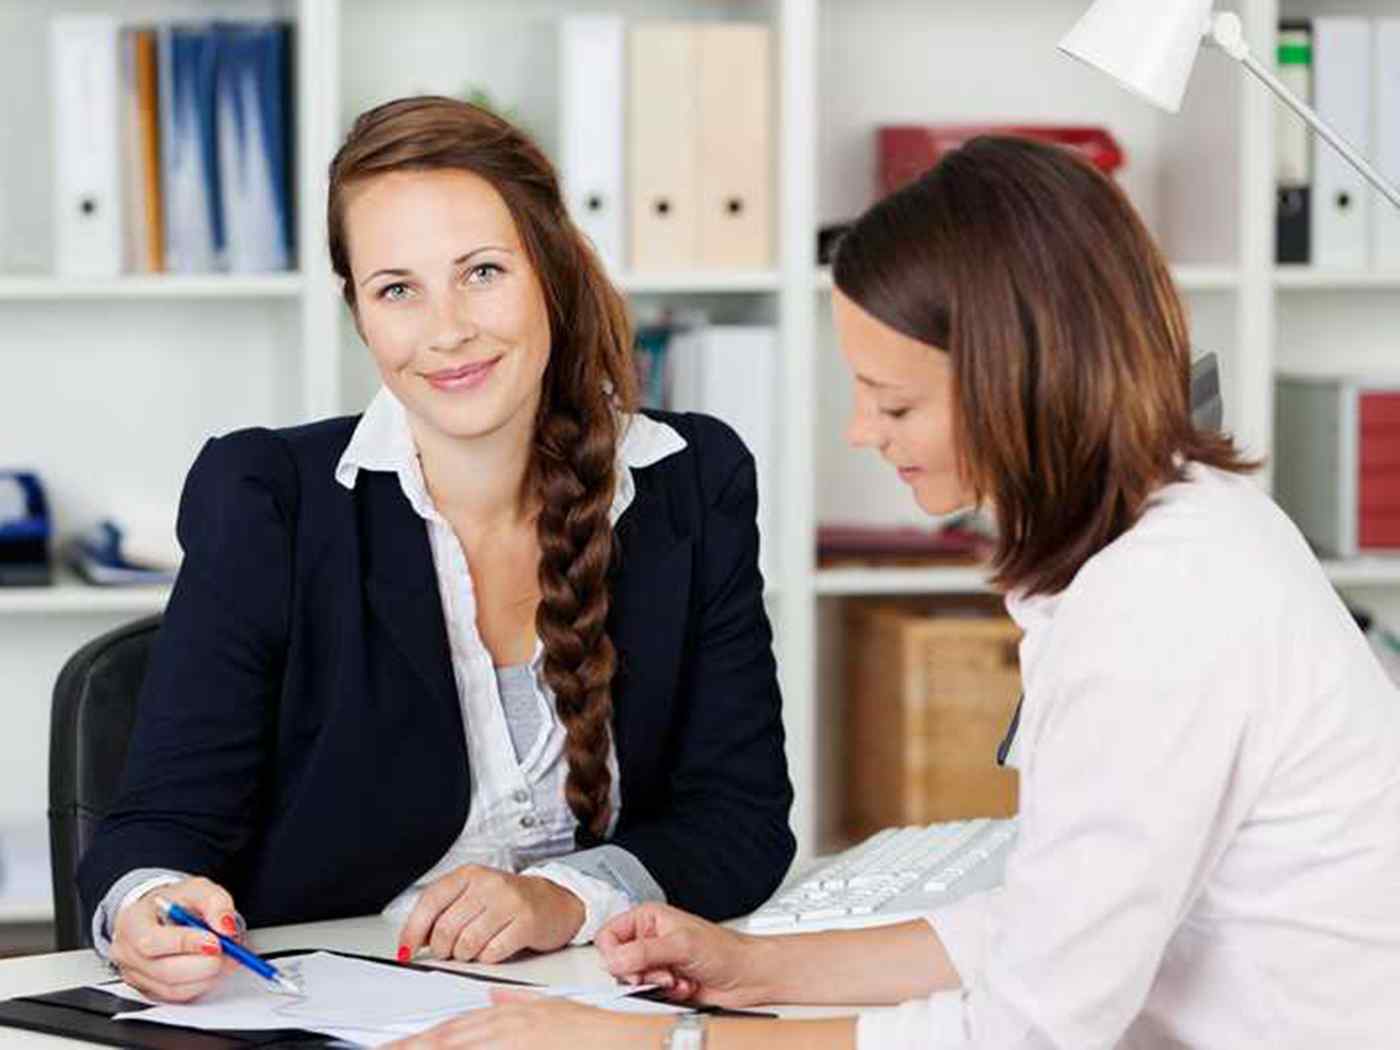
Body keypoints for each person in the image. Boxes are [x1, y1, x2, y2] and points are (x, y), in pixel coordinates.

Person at [393, 136, 1400, 1048]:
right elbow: (1052, 917)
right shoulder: (1170, 531)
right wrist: (753, 967)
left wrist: (654, 1046)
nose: (860, 434)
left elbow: (1024, 1031)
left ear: (1019, 381)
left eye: (893, 401)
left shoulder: (1164, 604)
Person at [76, 95, 795, 1004]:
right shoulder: (271, 497)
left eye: (483, 272)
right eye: (397, 289)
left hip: (596, 1009)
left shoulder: (689, 482)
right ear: (359, 314)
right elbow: (154, 829)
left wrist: (559, 899)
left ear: (553, 269)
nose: (447, 328)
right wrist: (147, 906)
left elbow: (742, 821)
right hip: (332, 1012)